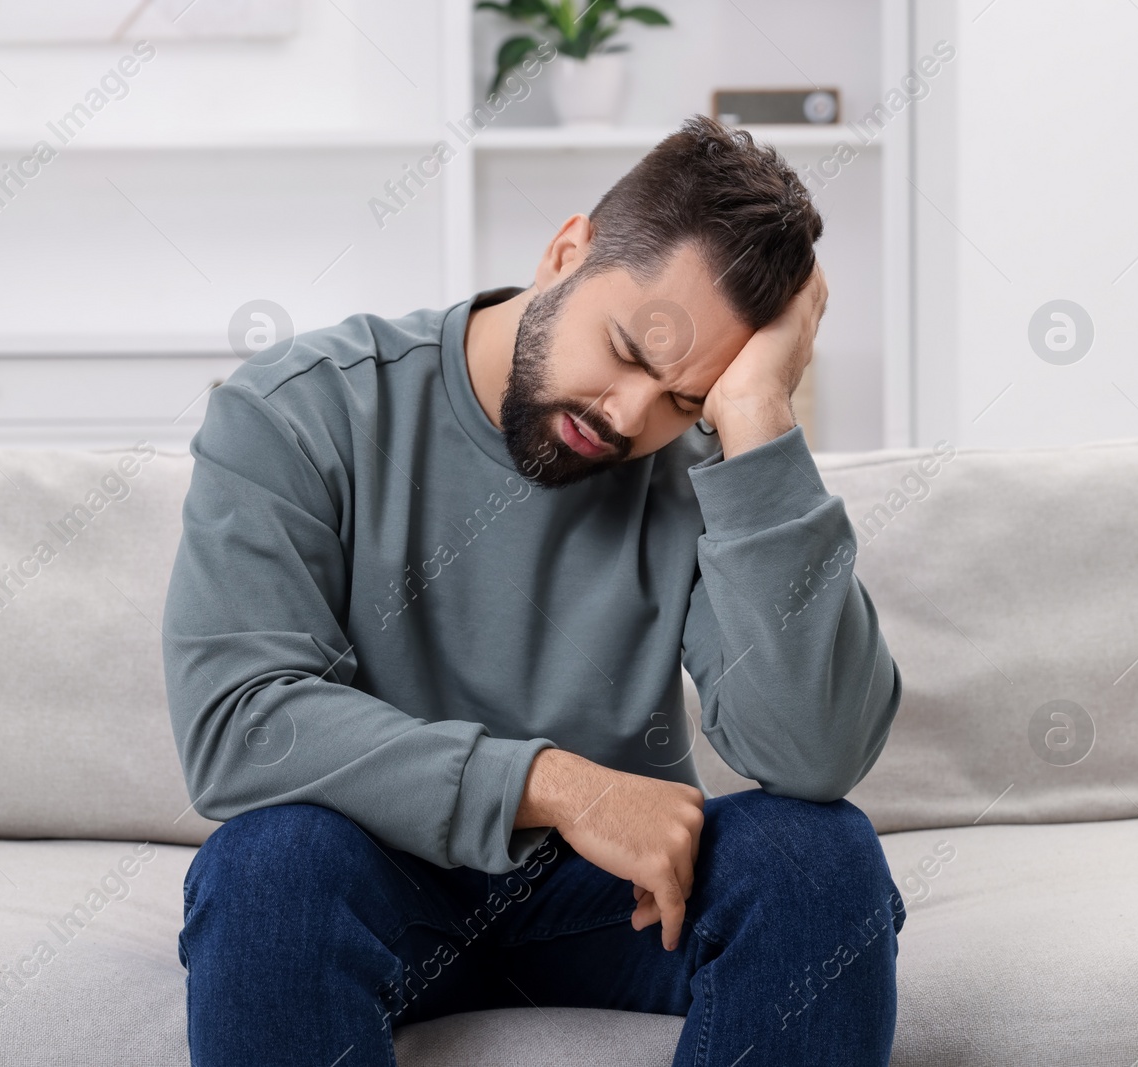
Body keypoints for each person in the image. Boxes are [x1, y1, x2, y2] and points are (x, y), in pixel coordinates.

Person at [163, 115, 905, 1066]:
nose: (631, 416)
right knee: (267, 867)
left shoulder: (705, 462)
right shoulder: (301, 410)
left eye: (686, 397)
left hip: (621, 901)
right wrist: (557, 786)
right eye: (632, 351)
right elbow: (241, 725)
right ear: (565, 255)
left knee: (818, 858)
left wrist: (757, 414)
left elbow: (814, 754)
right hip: (374, 879)